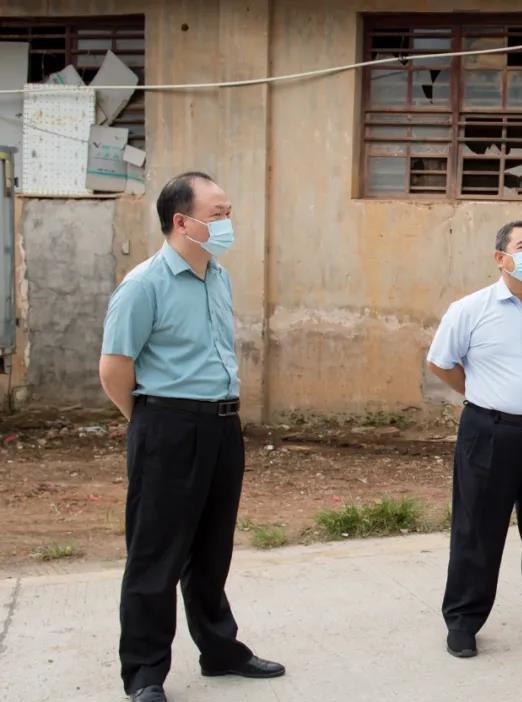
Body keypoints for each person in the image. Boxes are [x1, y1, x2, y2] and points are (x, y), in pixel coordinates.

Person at [99, 172, 284, 702]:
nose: (228, 223)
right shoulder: (144, 284)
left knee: (211, 549)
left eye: (228, 211)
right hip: (167, 425)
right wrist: (150, 423)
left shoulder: (218, 276)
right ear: (182, 221)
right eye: (218, 213)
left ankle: (220, 650)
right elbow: (114, 369)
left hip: (223, 425)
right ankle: (144, 673)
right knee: (155, 554)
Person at [427, 220, 522, 659]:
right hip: (488, 432)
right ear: (501, 258)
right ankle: (463, 619)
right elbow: (441, 363)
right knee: (477, 529)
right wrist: (484, 395)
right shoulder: (469, 309)